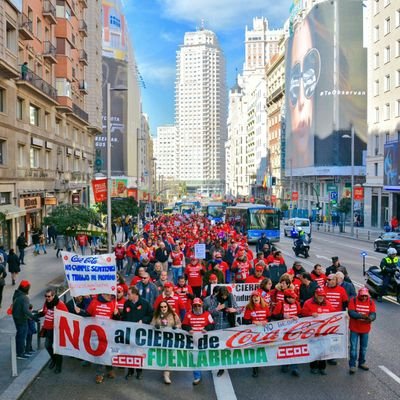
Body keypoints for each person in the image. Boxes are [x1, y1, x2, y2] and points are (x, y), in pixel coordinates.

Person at [121, 286, 153, 380]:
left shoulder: (145, 303)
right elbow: (124, 316)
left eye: (129, 294)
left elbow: (150, 314)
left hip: (140, 332)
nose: (127, 296)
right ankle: (130, 371)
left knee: (139, 352)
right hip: (129, 332)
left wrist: (143, 321)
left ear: (135, 294)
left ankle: (139, 372)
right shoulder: (127, 303)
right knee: (129, 352)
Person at [182, 298, 215, 385]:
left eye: (198, 305)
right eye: (195, 305)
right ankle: (197, 376)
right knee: (195, 358)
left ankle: (209, 369)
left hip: (205, 340)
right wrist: (189, 329)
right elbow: (184, 325)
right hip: (193, 341)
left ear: (202, 305)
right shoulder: (188, 314)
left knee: (205, 356)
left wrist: (207, 328)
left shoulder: (207, 314)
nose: (197, 307)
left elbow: (212, 324)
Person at [301, 287, 334, 375]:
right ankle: (313, 366)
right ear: (315, 295)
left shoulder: (328, 303)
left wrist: (344, 316)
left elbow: (334, 314)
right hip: (312, 332)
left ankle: (322, 367)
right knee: (314, 349)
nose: (321, 297)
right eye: (319, 295)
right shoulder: (308, 303)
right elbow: (302, 314)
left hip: (324, 331)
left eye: (323, 296)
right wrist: (310, 314)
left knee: (324, 349)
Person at [36, 289, 68, 373]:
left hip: (56, 330)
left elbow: (66, 316)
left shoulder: (60, 304)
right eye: (46, 296)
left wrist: (59, 325)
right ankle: (54, 360)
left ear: (53, 296)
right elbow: (44, 312)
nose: (47, 298)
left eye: (49, 296)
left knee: (57, 349)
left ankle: (58, 366)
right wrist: (36, 315)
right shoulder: (46, 303)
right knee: (47, 346)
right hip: (48, 329)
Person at [272, 289, 301, 377]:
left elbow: (301, 314)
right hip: (283, 330)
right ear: (287, 298)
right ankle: (285, 364)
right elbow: (273, 315)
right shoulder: (280, 304)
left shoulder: (296, 304)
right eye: (292, 298)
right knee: (285, 347)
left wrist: (297, 316)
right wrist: (282, 316)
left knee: (295, 347)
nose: (294, 299)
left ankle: (295, 367)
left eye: (294, 298)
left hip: (294, 329)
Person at [151, 301, 181, 384]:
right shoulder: (156, 316)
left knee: (170, 356)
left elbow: (179, 324)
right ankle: (164, 369)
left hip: (171, 339)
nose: (163, 308)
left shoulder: (173, 315)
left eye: (165, 306)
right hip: (160, 339)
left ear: (167, 307)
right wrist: (155, 326)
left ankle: (166, 374)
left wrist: (176, 327)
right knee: (163, 355)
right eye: (161, 307)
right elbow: (151, 325)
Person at [348, 287, 376, 375]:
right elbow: (351, 313)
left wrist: (370, 318)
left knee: (363, 348)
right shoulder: (353, 301)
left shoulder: (371, 302)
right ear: (359, 294)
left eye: (365, 296)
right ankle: (352, 365)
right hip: (354, 328)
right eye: (362, 296)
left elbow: (373, 314)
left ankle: (361, 363)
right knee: (353, 348)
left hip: (365, 329)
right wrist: (362, 316)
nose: (364, 298)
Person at [243, 291, 270, 378]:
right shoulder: (249, 307)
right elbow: (245, 321)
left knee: (262, 348)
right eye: (253, 297)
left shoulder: (265, 306)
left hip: (264, 331)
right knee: (255, 349)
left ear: (260, 297)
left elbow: (269, 317)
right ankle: (255, 369)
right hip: (253, 332)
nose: (255, 298)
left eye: (257, 296)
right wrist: (253, 322)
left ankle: (260, 362)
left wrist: (266, 321)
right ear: (251, 299)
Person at [12, 280, 38, 360]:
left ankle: (19, 351)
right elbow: (26, 310)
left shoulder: (16, 293)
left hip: (16, 316)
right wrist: (34, 317)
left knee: (19, 335)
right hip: (22, 319)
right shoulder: (25, 297)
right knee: (22, 336)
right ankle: (20, 353)